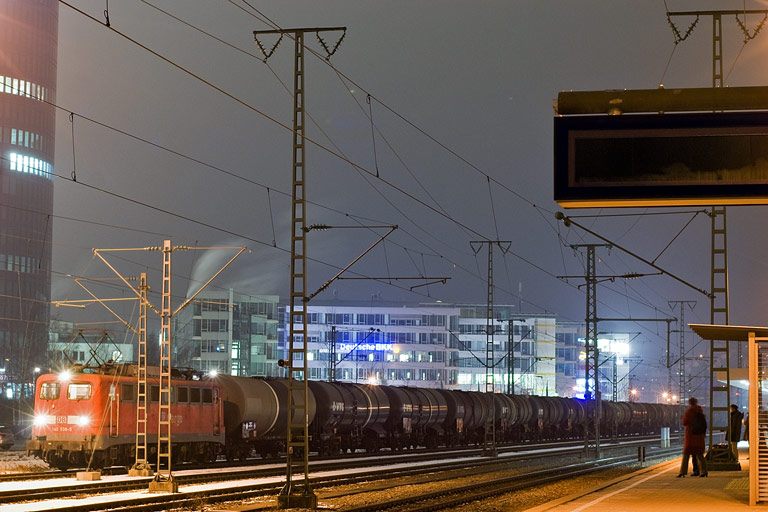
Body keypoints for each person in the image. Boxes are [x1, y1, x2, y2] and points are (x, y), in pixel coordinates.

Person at [678, 396, 708, 478]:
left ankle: (683, 472)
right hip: (699, 437)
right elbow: (705, 425)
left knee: (686, 455)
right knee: (700, 455)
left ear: (690, 403)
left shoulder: (689, 412)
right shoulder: (700, 412)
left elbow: (684, 422)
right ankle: (704, 472)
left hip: (690, 436)